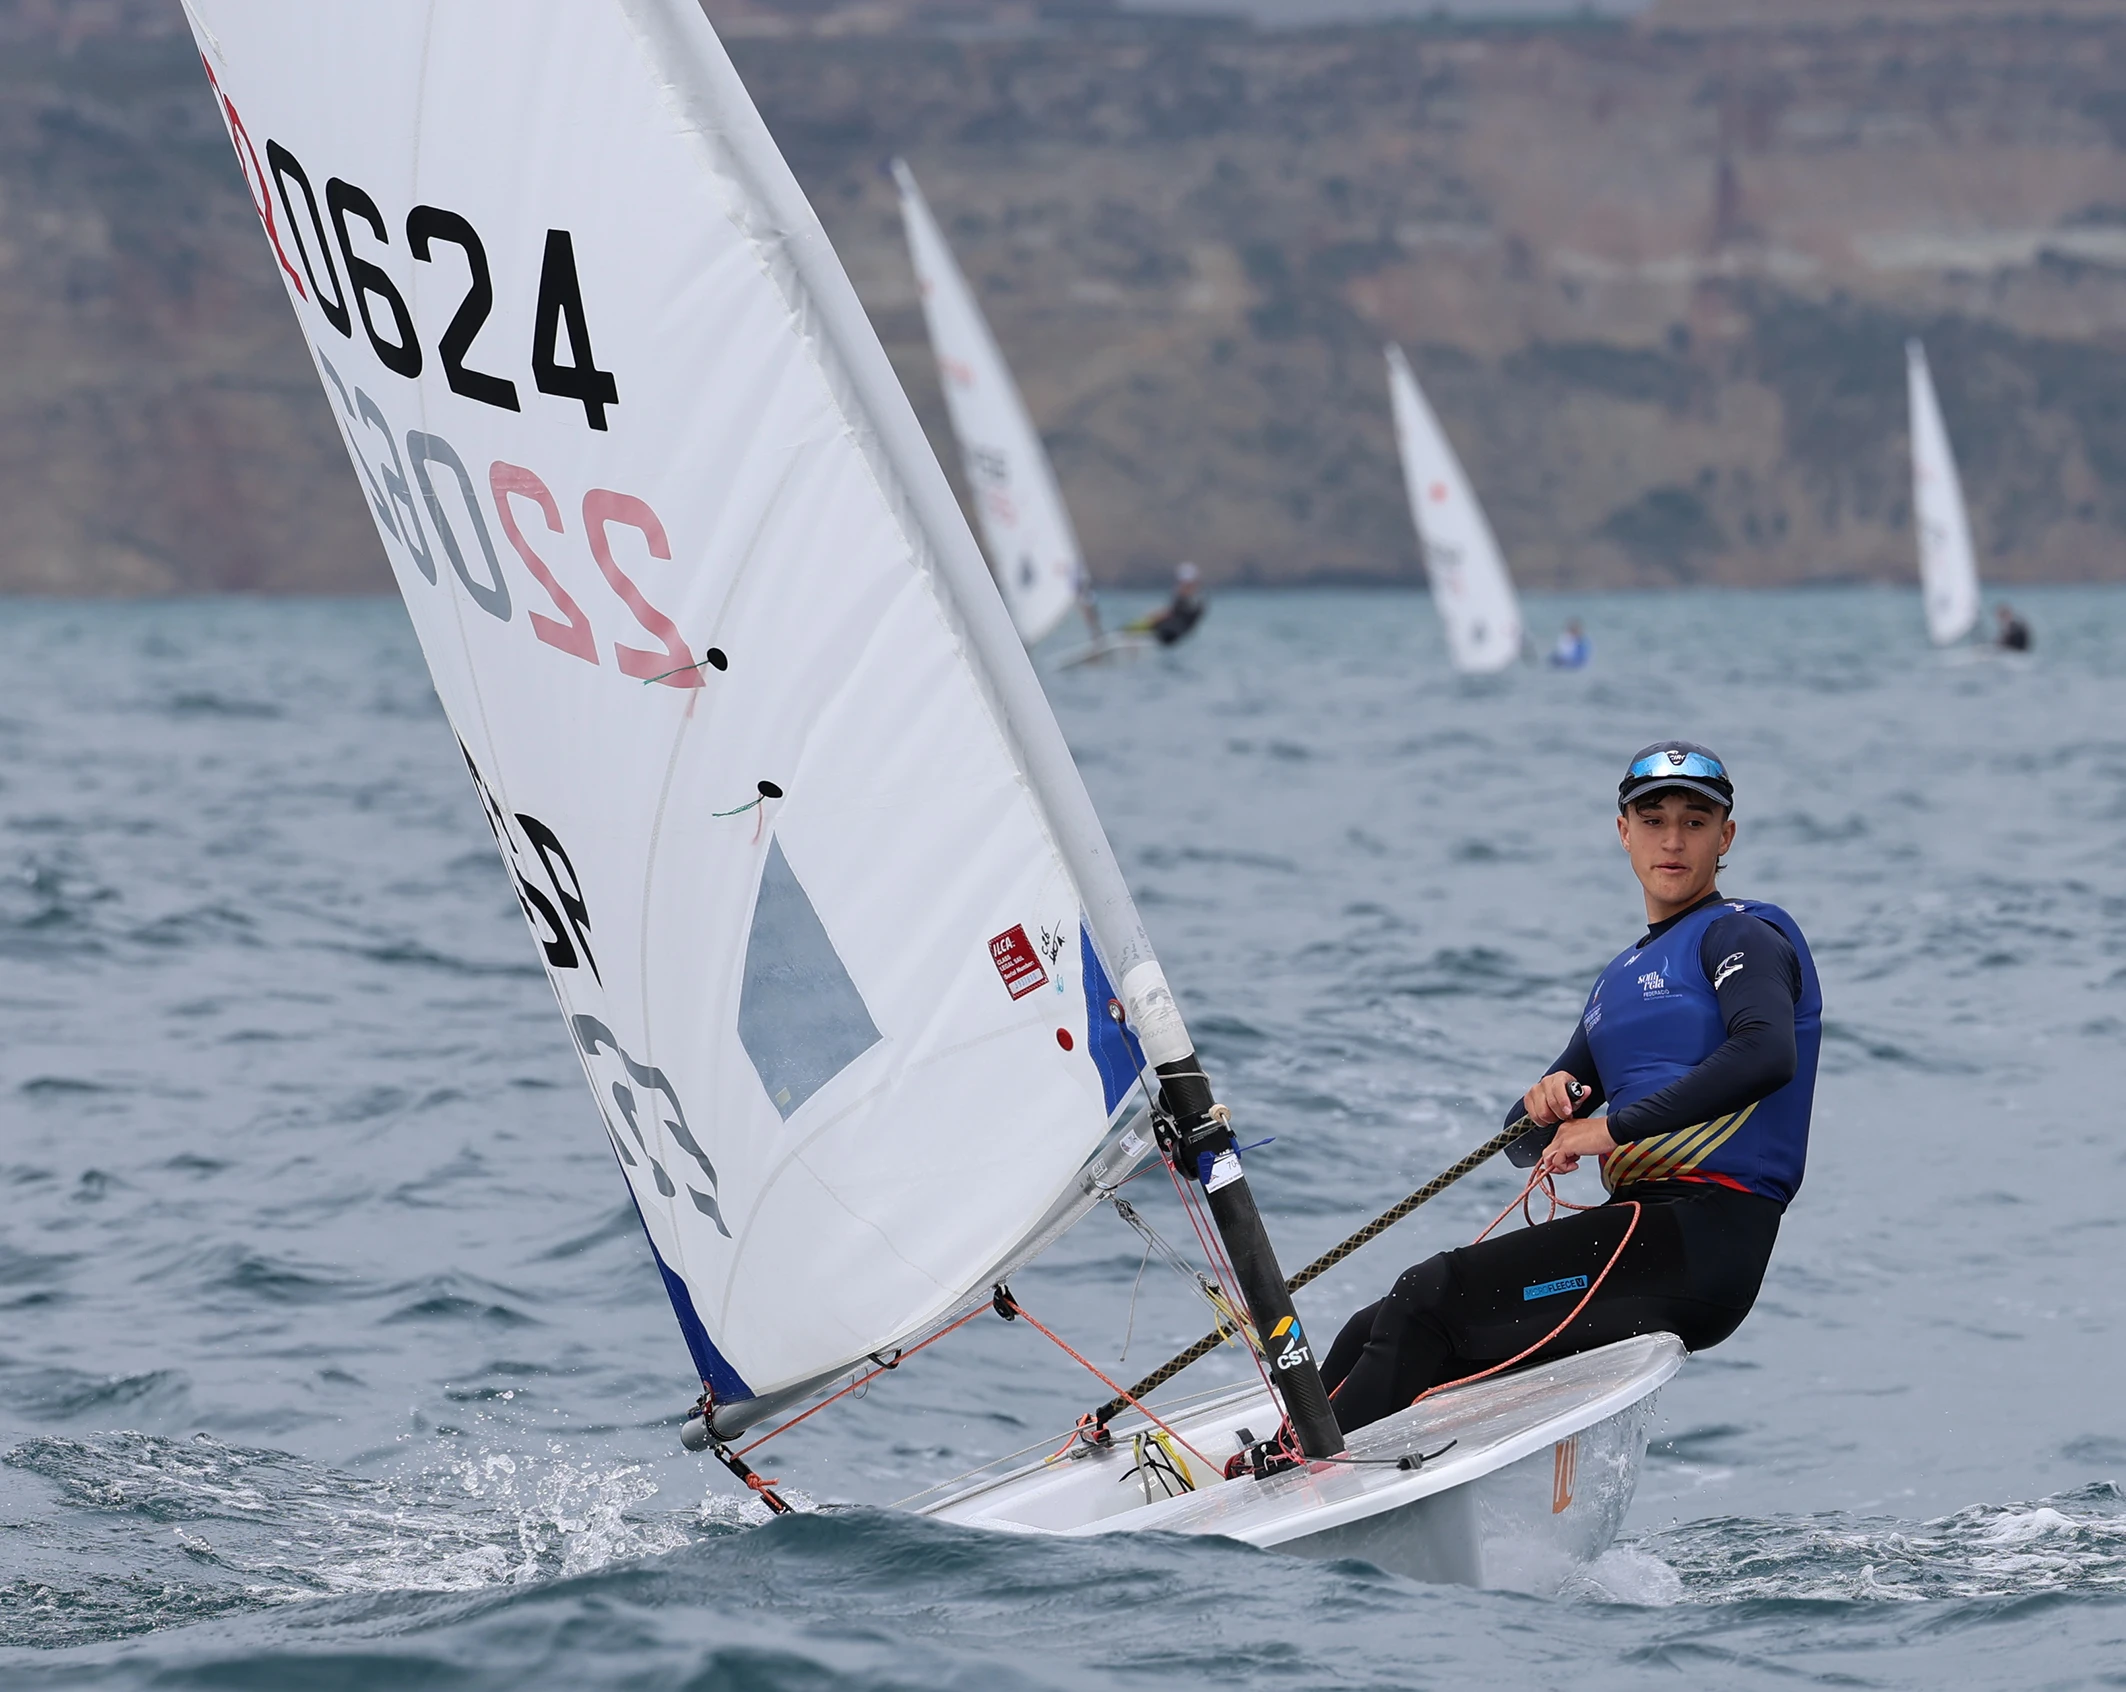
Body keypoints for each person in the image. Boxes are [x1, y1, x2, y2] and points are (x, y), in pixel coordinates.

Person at [1319, 741, 1821, 1432]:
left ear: (1725, 835)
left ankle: (1312, 1470)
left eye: (1695, 822)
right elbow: (1523, 1144)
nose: (1673, 841)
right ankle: (1283, 1455)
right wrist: (1541, 1106)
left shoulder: (1743, 936)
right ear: (1624, 832)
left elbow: (1765, 1053)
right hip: (1643, 1230)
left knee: (1430, 1294)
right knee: (1369, 1327)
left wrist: (1608, 1129)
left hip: (1704, 1239)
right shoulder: (1619, 980)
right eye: (1653, 821)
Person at [1130, 562, 1206, 647]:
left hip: (1170, 634)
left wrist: (1154, 618)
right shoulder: (1188, 599)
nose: (1180, 586)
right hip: (1170, 633)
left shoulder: (1193, 601)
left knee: (1151, 619)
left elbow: (1174, 614)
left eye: (1184, 584)